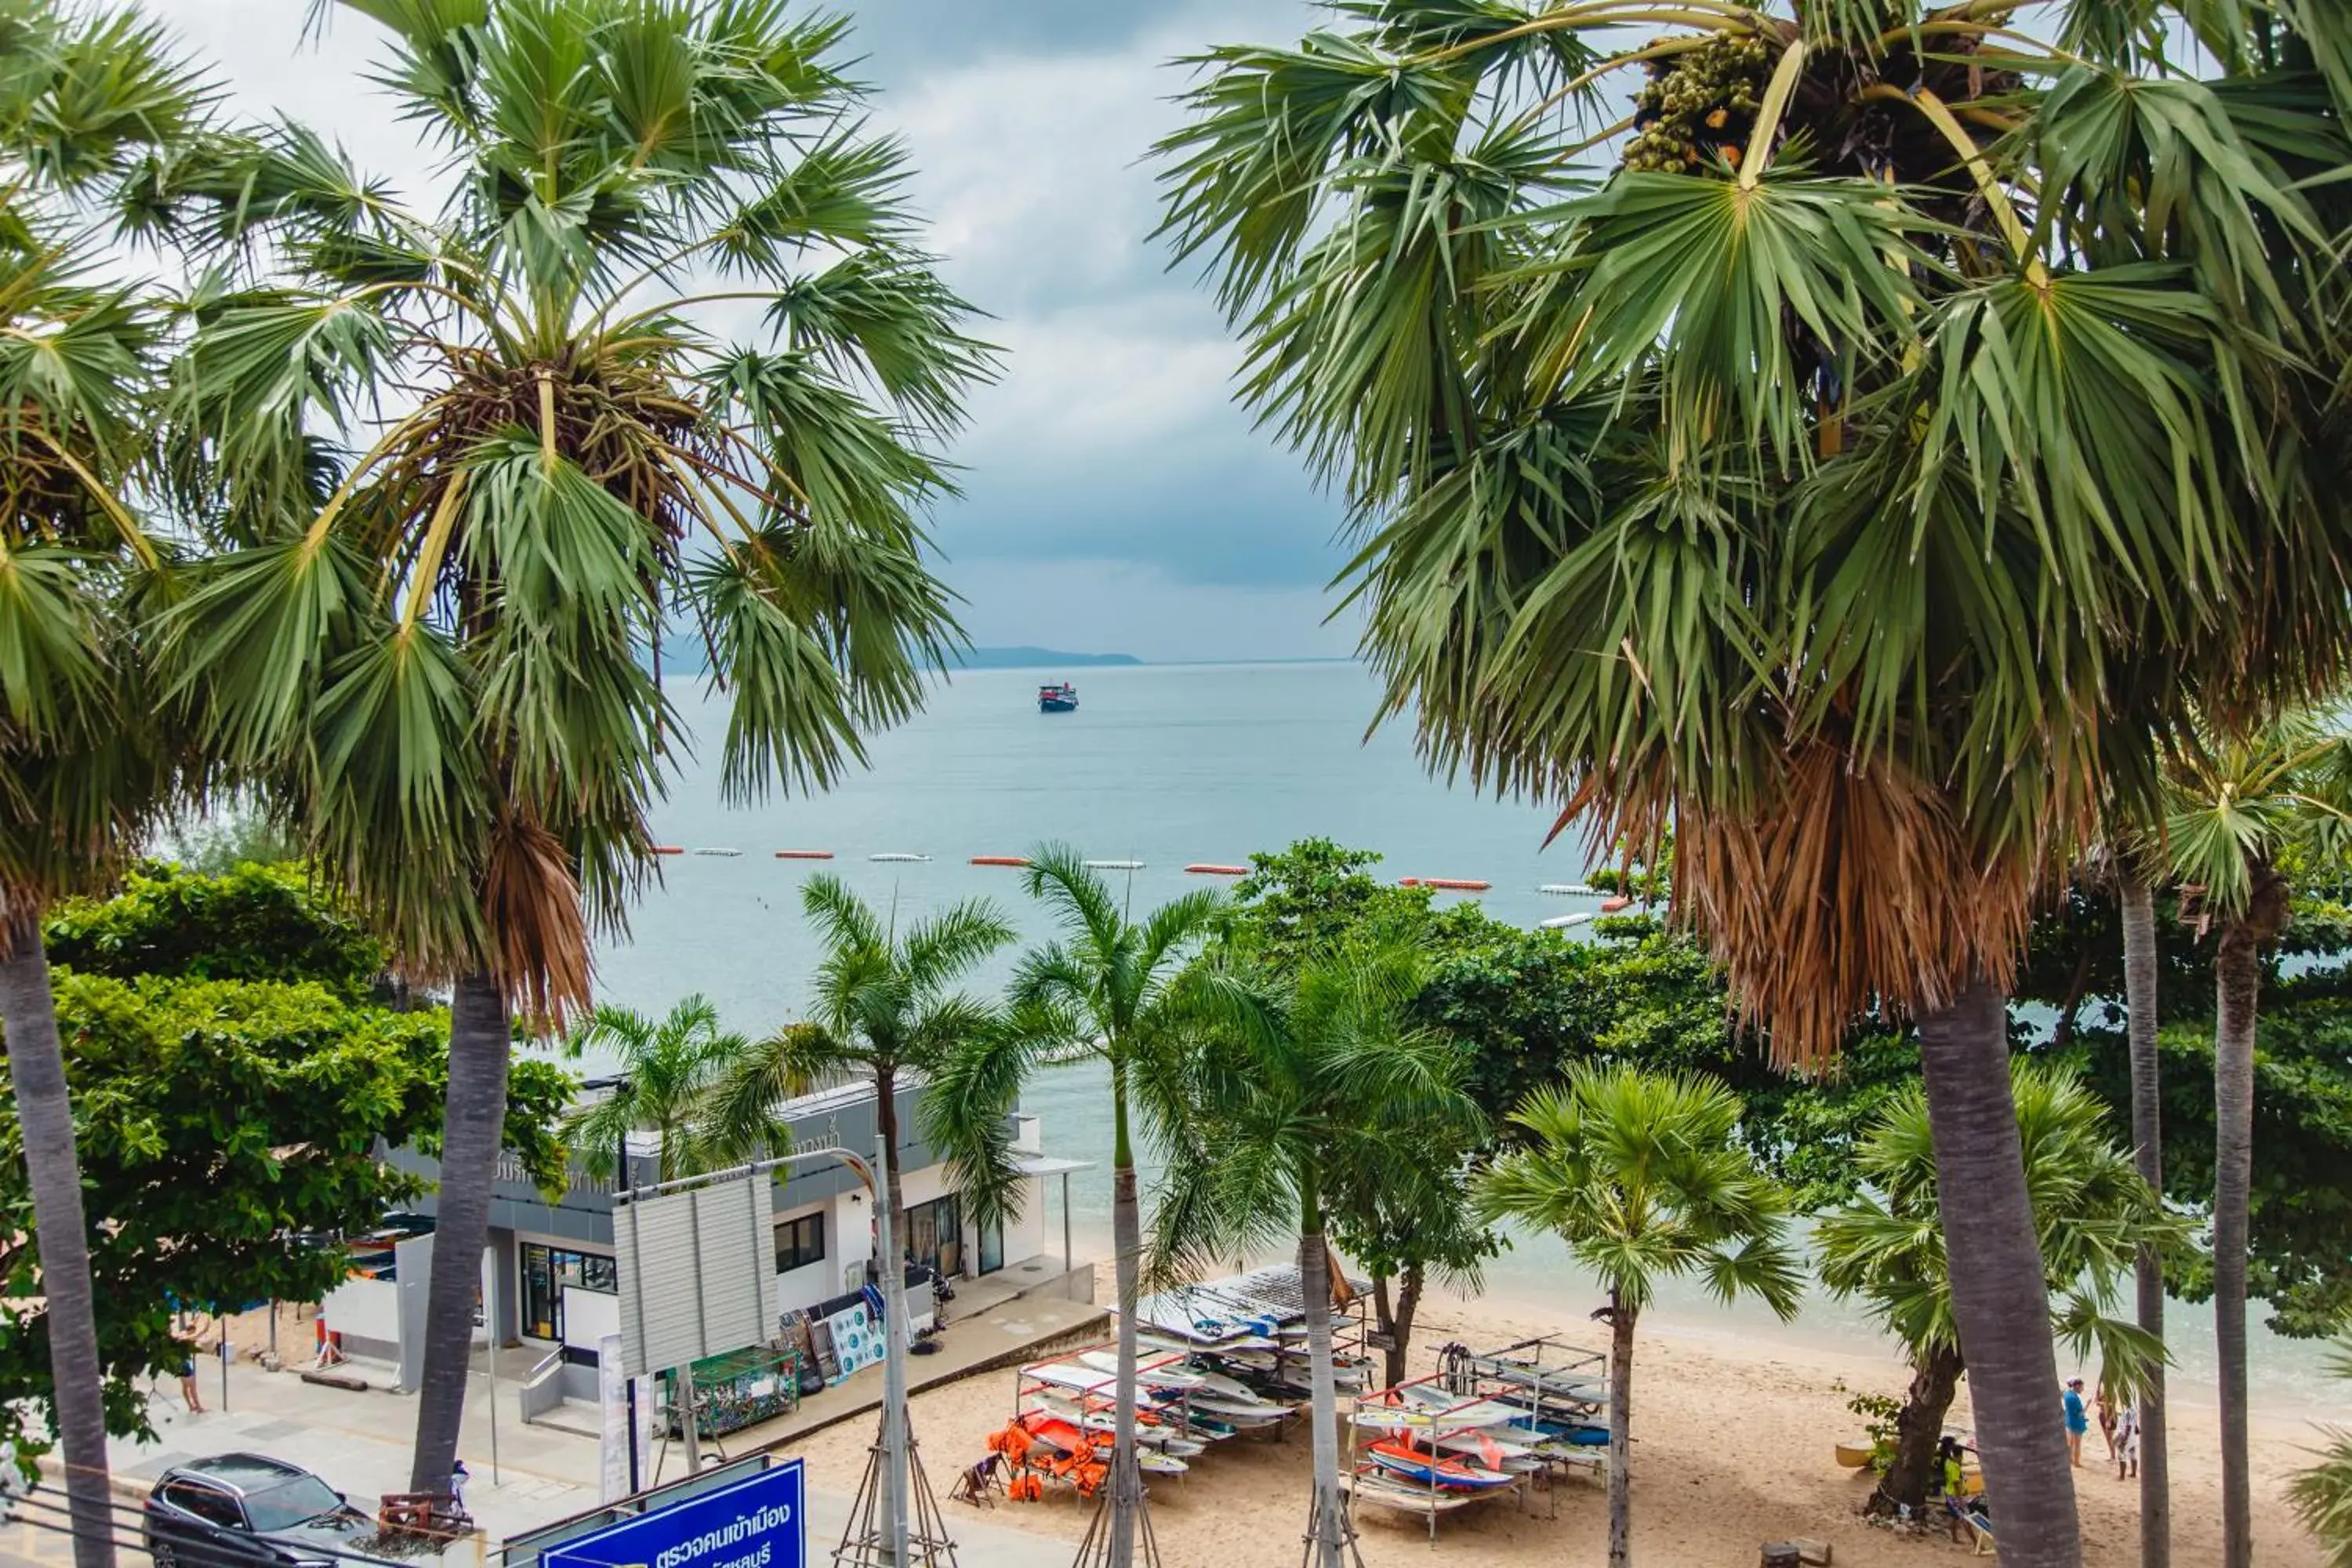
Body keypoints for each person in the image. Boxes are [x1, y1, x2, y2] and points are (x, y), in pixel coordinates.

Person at [176, 1334, 205, 1414]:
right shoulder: (185, 1346)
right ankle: (198, 1407)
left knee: (185, 1387)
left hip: (180, 1368)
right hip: (186, 1368)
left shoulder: (177, 1345)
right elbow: (200, 1333)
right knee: (192, 1388)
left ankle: (191, 1406)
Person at [2061, 1377, 2089, 1466]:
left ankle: (2070, 1460)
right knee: (2077, 1444)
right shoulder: (2074, 1398)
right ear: (2077, 1386)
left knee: (2070, 1442)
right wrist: (2088, 1404)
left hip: (2069, 1421)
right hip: (2076, 1423)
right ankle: (2077, 1463)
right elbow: (2080, 1413)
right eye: (2081, 1387)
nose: (2082, 1389)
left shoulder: (2067, 1394)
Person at [2115, 1403, 2140, 1481]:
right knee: (2133, 1454)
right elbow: (2135, 1424)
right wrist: (2136, 1431)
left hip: (2126, 1436)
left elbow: (2128, 1426)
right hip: (2132, 1436)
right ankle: (2133, 1473)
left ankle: (2122, 1476)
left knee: (2121, 1456)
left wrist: (2123, 1440)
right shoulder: (2134, 1408)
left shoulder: (2127, 1411)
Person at [2096, 1388, 2118, 1462]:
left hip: (2110, 1417)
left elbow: (2114, 1407)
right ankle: (2112, 1456)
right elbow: (2096, 1403)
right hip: (2102, 1416)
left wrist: (2109, 1420)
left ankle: (2113, 1457)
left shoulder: (2112, 1393)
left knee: (2110, 1438)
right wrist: (2097, 1392)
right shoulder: (2101, 1391)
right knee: (2107, 1438)